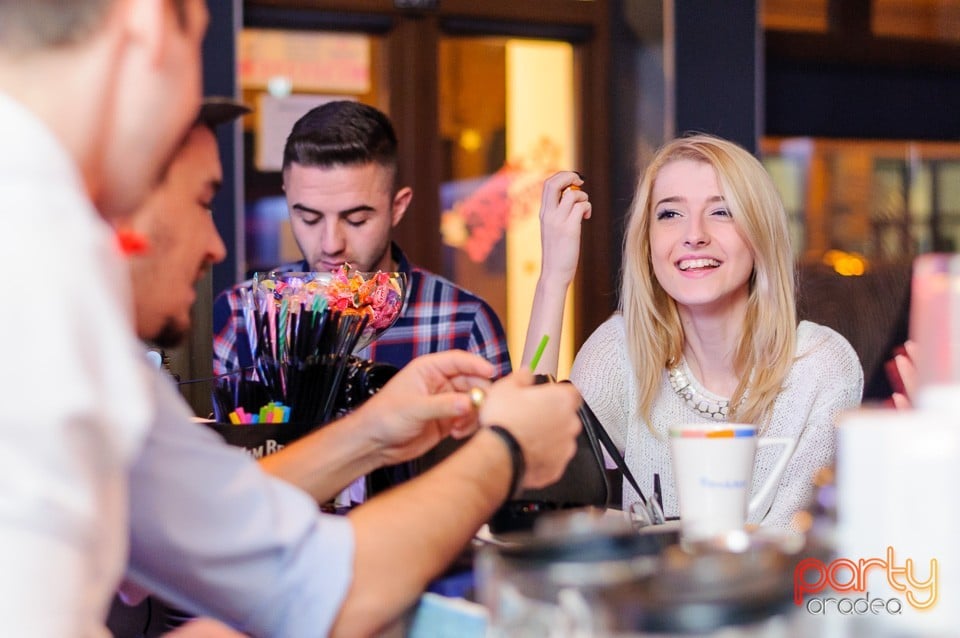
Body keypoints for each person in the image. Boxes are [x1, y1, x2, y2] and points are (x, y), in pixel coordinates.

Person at [1, 5, 583, 638]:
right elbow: (312, 585)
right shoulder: (43, 275)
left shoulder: (51, 269)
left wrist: (374, 432)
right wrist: (506, 449)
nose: (219, 247)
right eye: (202, 201)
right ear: (150, 27)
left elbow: (216, 518)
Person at [525, 134, 864, 530]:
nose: (694, 234)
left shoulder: (820, 367)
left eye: (721, 212)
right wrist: (553, 280)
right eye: (670, 214)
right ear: (647, 243)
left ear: (760, 234)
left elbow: (796, 551)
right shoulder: (620, 352)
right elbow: (532, 457)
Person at [213, 100, 512, 380]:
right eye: (309, 218)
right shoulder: (241, 315)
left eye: (356, 220)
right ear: (288, 199)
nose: (331, 244)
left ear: (397, 208)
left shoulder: (463, 321)